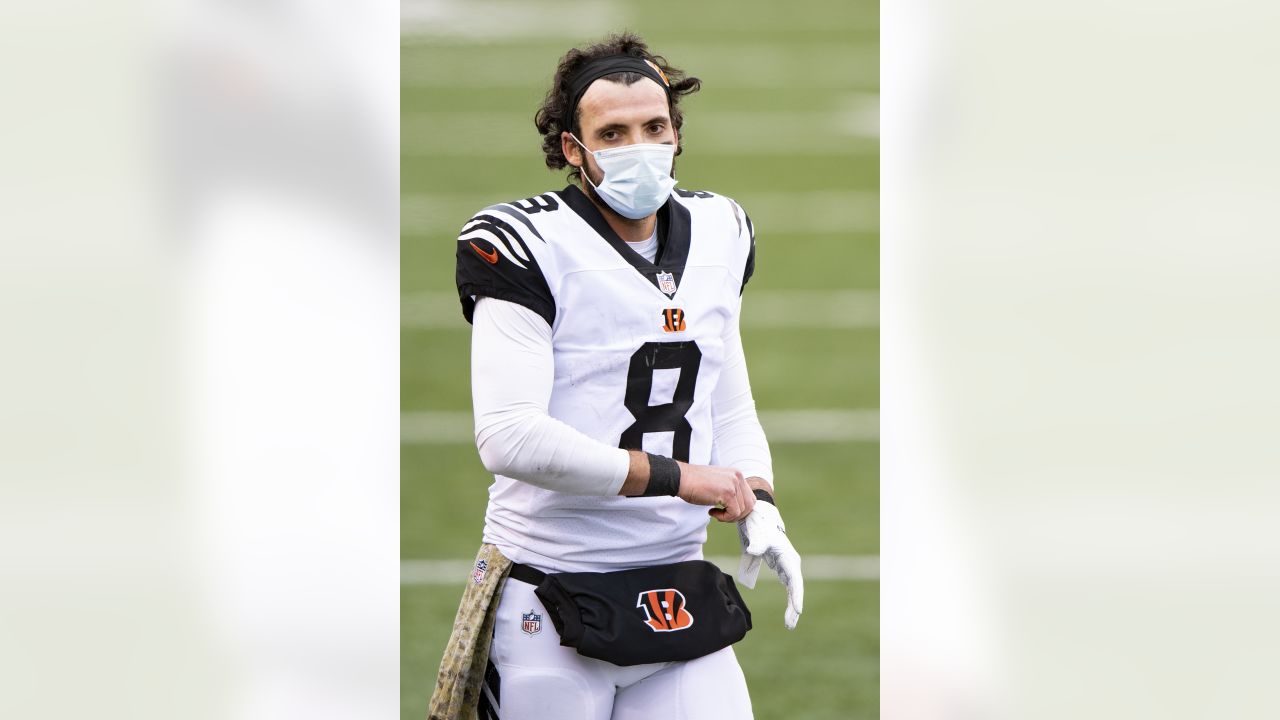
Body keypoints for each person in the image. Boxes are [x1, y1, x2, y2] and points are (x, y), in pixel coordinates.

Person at [430, 32, 803, 720]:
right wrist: (680, 478)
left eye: (655, 126)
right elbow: (508, 436)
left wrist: (760, 500)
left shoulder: (722, 228)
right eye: (614, 132)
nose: (640, 145)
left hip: (676, 590)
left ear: (677, 132)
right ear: (574, 149)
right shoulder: (525, 241)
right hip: (550, 593)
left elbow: (727, 402)